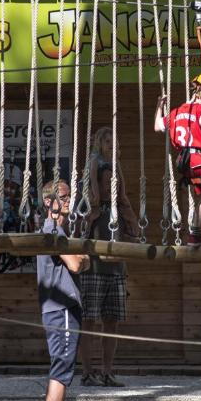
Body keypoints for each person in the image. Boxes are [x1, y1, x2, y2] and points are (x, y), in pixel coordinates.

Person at [36, 179, 91, 401]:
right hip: (62, 309)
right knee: (61, 368)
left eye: (70, 196)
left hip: (60, 308)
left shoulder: (58, 231)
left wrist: (81, 258)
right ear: (49, 202)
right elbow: (77, 265)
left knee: (63, 367)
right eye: (64, 196)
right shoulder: (53, 231)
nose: (69, 200)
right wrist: (84, 259)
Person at [154, 71, 201, 244]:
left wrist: (160, 106)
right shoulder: (200, 109)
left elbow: (158, 126)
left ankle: (195, 234)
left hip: (187, 164)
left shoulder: (175, 112)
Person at [78, 165, 128, 387]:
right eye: (107, 182)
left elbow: (134, 233)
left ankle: (108, 371)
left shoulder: (121, 206)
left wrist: (129, 214)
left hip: (117, 271)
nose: (111, 186)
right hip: (93, 271)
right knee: (88, 322)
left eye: (114, 182)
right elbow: (76, 234)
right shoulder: (87, 205)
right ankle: (87, 372)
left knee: (112, 323)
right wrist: (90, 218)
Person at [86, 126, 140, 239]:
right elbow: (93, 179)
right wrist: (96, 196)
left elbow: (121, 179)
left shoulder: (115, 160)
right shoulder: (95, 159)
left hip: (112, 194)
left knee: (127, 211)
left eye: (113, 141)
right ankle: (88, 227)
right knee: (92, 213)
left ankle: (131, 229)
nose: (111, 144)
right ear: (100, 144)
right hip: (96, 192)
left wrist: (122, 194)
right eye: (107, 141)